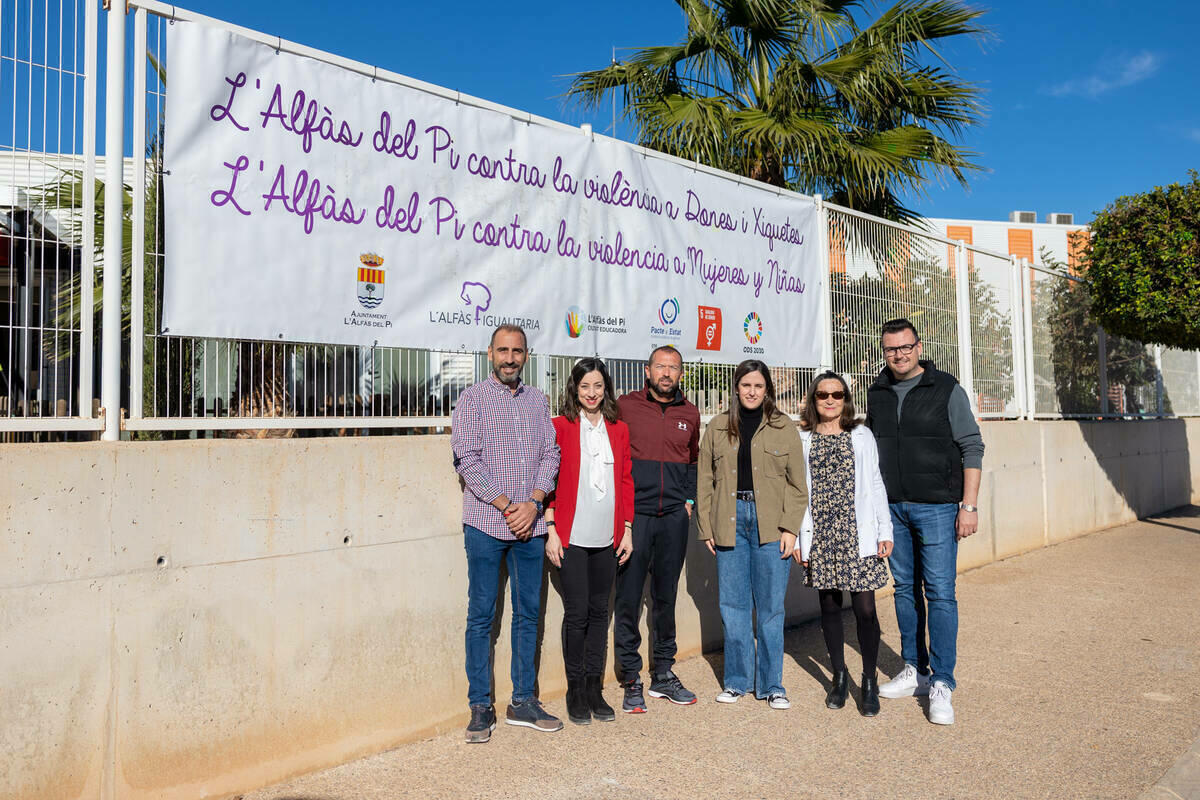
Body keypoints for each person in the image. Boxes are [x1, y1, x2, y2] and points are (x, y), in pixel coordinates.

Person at [866, 318, 984, 726]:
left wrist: (968, 506)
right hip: (893, 507)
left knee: (940, 592)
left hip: (937, 507)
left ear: (919, 347)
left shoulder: (946, 388)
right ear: (883, 351)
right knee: (903, 589)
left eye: (905, 347)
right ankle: (914, 670)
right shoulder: (877, 393)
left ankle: (943, 682)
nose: (898, 354)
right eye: (890, 348)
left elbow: (971, 446)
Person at [451, 325, 562, 743]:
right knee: (482, 616)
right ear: (490, 354)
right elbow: (467, 457)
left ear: (527, 356)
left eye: (517, 351)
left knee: (528, 614)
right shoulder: (473, 399)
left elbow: (551, 453)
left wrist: (533, 503)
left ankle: (523, 702)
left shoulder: (538, 400)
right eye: (503, 350)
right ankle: (480, 706)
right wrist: (505, 505)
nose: (510, 358)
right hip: (486, 524)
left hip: (530, 527)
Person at [697, 360, 808, 709]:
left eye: (758, 386)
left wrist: (791, 528)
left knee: (771, 608)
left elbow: (797, 486)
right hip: (730, 522)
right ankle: (736, 682)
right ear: (736, 387)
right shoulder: (716, 428)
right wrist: (706, 527)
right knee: (733, 607)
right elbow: (704, 483)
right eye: (746, 385)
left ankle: (772, 685)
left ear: (767, 390)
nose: (751, 391)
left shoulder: (783, 427)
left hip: (771, 524)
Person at [797, 371, 893, 717]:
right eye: (823, 395)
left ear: (845, 399)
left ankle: (869, 680)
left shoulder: (861, 435)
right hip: (821, 531)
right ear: (814, 399)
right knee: (830, 607)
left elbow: (876, 482)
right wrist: (797, 536)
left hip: (858, 531)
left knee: (865, 609)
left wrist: (885, 530)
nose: (830, 400)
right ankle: (839, 676)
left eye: (837, 395)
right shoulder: (804, 437)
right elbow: (797, 491)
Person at [545, 358, 635, 726]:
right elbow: (547, 478)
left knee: (601, 613)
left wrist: (627, 527)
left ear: (606, 389)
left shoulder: (619, 429)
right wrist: (551, 527)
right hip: (572, 536)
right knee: (577, 613)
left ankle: (596, 687)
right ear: (574, 389)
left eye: (598, 386)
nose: (592, 393)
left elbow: (626, 478)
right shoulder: (561, 427)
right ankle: (576, 689)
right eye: (585, 387)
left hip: (608, 535)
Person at [614, 345, 701, 711]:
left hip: (674, 519)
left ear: (681, 374)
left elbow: (694, 461)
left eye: (674, 368)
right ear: (647, 371)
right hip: (637, 517)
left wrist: (690, 500)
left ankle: (663, 673)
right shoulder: (626, 406)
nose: (666, 374)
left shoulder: (691, 412)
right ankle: (631, 677)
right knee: (629, 598)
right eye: (660, 367)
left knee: (666, 598)